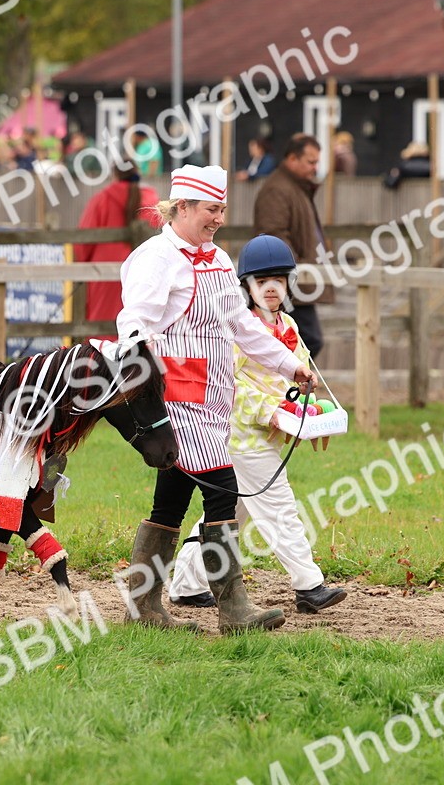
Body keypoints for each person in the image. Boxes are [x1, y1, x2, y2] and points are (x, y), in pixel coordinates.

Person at [117, 164, 316, 634]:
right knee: (223, 487)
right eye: (212, 209)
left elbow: (243, 327)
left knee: (171, 500)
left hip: (212, 401)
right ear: (181, 207)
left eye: (223, 209)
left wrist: (290, 365)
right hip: (173, 400)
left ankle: (143, 608)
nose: (219, 218)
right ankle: (234, 611)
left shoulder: (221, 261)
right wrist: (140, 384)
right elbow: (134, 323)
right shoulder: (155, 258)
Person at [167, 234, 347, 614]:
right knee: (280, 507)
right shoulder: (238, 330)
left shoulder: (290, 327)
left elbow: (296, 380)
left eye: (278, 280)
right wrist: (271, 411)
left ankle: (186, 583)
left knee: (230, 514)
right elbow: (230, 385)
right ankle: (308, 584)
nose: (270, 288)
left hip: (270, 434)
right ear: (245, 286)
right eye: (261, 280)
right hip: (241, 437)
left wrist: (311, 411)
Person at [252, 133, 331, 357]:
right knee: (305, 341)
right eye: (311, 161)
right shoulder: (278, 190)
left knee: (298, 342)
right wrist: (293, 270)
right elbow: (273, 236)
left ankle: (287, 387)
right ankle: (286, 388)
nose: (315, 168)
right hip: (289, 283)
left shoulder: (293, 187)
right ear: (292, 159)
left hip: (295, 281)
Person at [72, 160, 160, 339]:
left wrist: (81, 267)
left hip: (103, 273)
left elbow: (83, 240)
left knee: (101, 329)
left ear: (115, 175)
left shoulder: (102, 198)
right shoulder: (152, 201)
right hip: (144, 271)